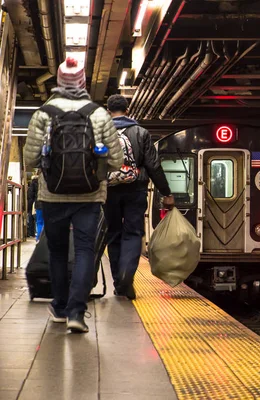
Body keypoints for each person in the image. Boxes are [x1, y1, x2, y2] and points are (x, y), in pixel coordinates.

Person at [24, 58, 123, 333]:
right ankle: (77, 313)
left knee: (57, 252)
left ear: (58, 81)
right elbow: (116, 159)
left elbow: (30, 159)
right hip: (89, 197)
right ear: (82, 82)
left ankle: (59, 306)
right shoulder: (99, 114)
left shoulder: (43, 114)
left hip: (53, 196)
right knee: (84, 251)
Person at [105, 94, 174, 300]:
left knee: (114, 234)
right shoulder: (141, 133)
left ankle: (119, 282)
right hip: (136, 189)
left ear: (108, 111)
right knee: (133, 233)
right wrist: (167, 193)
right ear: (127, 110)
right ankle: (128, 275)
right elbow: (153, 165)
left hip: (108, 190)